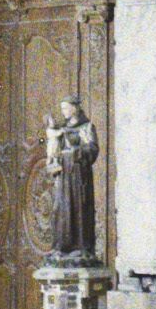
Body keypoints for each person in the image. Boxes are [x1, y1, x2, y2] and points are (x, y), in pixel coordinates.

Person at [43, 97, 99, 262]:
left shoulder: (86, 127)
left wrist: (77, 152)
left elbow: (93, 149)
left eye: (66, 108)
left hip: (78, 175)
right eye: (62, 109)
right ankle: (61, 246)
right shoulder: (62, 128)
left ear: (75, 108)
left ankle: (80, 246)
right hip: (63, 175)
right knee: (61, 208)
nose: (63, 112)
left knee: (78, 208)